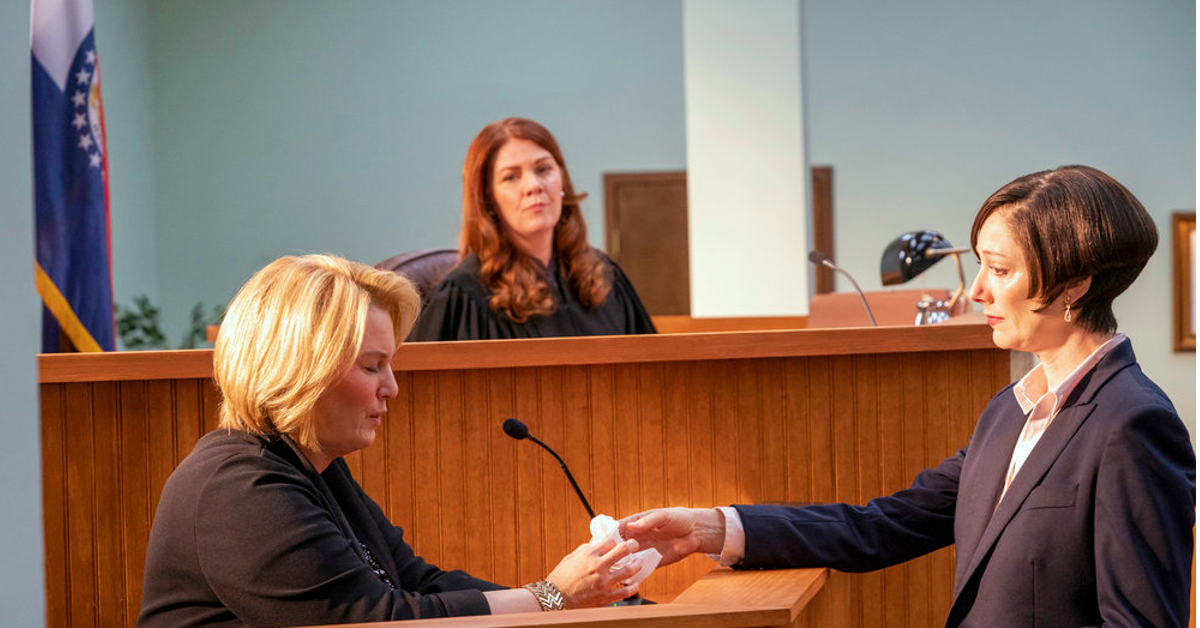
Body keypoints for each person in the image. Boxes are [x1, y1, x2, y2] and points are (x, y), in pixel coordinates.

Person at [619, 166, 1196, 628]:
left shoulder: (1133, 423)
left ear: (1074, 284)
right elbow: (884, 525)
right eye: (980, 267)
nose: (975, 291)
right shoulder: (1008, 409)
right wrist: (711, 529)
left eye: (998, 270)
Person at [138, 254, 643, 627]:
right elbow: (378, 620)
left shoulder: (313, 467)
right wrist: (552, 597)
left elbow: (417, 583)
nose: (392, 388)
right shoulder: (238, 490)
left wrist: (569, 603)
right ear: (300, 369)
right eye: (372, 366)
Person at [408, 117, 656, 341]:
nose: (533, 186)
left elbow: (651, 372)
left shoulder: (604, 276)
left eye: (543, 169)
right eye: (511, 177)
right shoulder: (463, 296)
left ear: (562, 180)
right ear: (487, 198)